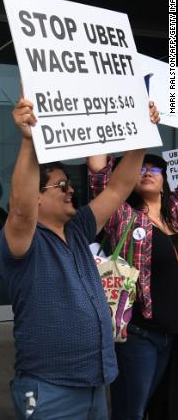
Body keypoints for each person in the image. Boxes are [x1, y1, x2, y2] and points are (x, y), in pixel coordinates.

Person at [0, 97, 160, 420]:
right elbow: (19, 207)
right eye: (61, 185)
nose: (71, 189)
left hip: (95, 385)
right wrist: (29, 142)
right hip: (50, 390)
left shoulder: (77, 228)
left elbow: (117, 189)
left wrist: (144, 132)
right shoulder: (22, 242)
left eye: (69, 183)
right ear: (38, 196)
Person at [88, 147, 178, 420]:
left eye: (154, 169)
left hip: (170, 334)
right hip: (140, 334)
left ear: (166, 181)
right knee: (132, 411)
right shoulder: (124, 215)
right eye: (140, 169)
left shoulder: (173, 217)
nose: (147, 173)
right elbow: (100, 180)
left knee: (154, 405)